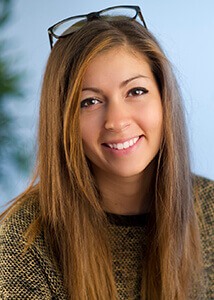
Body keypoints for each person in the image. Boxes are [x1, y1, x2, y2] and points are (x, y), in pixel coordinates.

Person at [0, 5, 213, 300]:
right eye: (90, 102)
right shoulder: (22, 240)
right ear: (63, 120)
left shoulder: (210, 208)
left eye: (135, 91)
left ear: (165, 99)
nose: (116, 121)